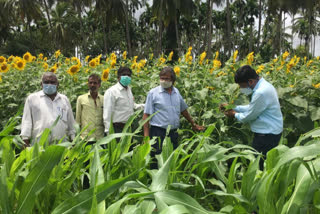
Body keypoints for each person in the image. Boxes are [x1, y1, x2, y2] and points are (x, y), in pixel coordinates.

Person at [222, 65, 283, 169]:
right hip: (271, 131)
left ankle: (260, 184)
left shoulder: (261, 92)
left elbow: (249, 116)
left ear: (250, 81)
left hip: (267, 135)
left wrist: (234, 114)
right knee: (265, 163)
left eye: (242, 86)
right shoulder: (264, 85)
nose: (241, 89)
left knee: (260, 166)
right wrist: (233, 107)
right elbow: (253, 107)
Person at [143, 67, 204, 160]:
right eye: (161, 78)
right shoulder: (153, 93)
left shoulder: (176, 92)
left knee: (172, 159)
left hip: (173, 133)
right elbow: (146, 115)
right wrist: (146, 137)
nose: (163, 81)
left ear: (173, 80)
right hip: (158, 132)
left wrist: (193, 124)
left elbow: (183, 110)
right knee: (157, 160)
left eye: (166, 79)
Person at [21, 72, 76, 146]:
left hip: (62, 145)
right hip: (39, 145)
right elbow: (27, 122)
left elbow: (71, 123)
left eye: (52, 82)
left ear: (57, 84)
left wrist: (73, 140)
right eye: (46, 82)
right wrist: (25, 141)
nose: (49, 84)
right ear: (41, 84)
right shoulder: (32, 99)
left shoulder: (64, 99)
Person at [103, 66, 144, 135]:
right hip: (117, 129)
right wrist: (108, 133)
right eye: (124, 75)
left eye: (129, 75)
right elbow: (107, 114)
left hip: (128, 128)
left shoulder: (129, 90)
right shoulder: (112, 92)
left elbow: (133, 106)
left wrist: (146, 105)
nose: (127, 77)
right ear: (118, 77)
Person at [76, 74, 104, 141]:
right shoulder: (81, 99)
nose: (92, 85)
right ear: (88, 84)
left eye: (95, 83)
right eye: (90, 83)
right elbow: (77, 119)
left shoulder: (104, 99)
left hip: (100, 137)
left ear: (99, 85)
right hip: (85, 137)